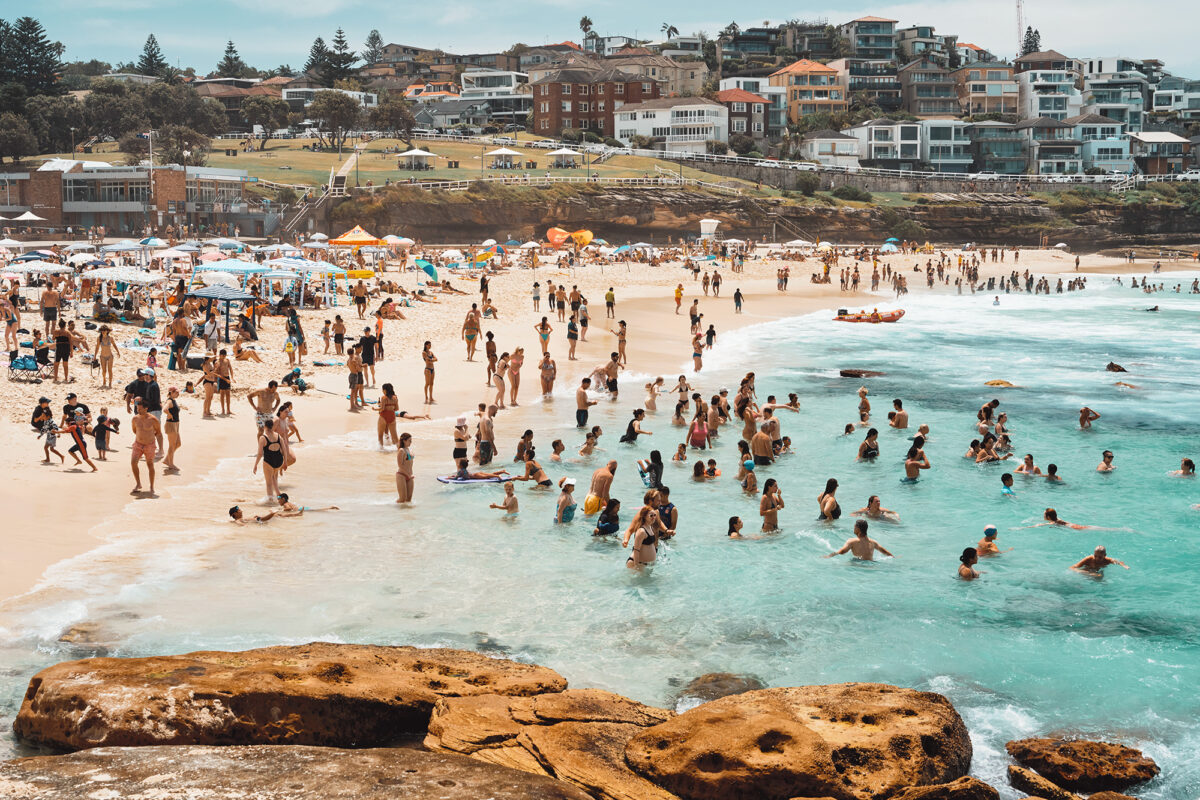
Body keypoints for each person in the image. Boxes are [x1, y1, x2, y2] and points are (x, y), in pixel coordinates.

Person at [130, 401, 160, 495]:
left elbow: (158, 432)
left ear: (146, 408)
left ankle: (151, 486)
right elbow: (134, 430)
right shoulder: (135, 419)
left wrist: (149, 438)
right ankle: (138, 483)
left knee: (150, 464)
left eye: (140, 408)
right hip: (138, 444)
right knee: (133, 462)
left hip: (149, 445)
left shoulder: (153, 419)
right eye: (137, 408)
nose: (138, 410)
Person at [827, 519, 894, 561]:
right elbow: (886, 553)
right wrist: (893, 557)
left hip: (858, 565)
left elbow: (842, 551)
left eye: (854, 527)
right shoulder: (873, 542)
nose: (853, 528)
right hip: (871, 565)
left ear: (858, 529)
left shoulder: (852, 541)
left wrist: (830, 555)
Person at [163, 386, 182, 472]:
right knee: (172, 445)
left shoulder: (173, 400)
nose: (178, 394)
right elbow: (164, 409)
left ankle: (167, 460)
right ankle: (171, 464)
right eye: (176, 392)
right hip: (171, 424)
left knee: (178, 444)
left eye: (178, 392)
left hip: (176, 424)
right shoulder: (169, 401)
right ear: (171, 392)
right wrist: (169, 414)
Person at [396, 432, 415, 503]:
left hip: (410, 476)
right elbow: (400, 465)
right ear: (404, 441)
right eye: (409, 441)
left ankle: (406, 513)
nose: (411, 442)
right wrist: (407, 474)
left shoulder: (408, 449)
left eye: (411, 441)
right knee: (402, 499)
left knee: (409, 499)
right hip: (402, 475)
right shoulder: (401, 450)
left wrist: (410, 474)